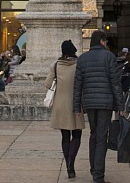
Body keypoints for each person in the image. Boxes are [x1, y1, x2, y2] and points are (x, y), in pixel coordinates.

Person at [71, 30, 124, 183]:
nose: (106, 43)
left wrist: (76, 107)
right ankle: (98, 175)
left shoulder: (82, 58)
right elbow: (115, 83)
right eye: (105, 41)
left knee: (94, 135)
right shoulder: (109, 57)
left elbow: (77, 85)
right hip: (105, 103)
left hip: (89, 103)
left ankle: (94, 169)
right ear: (101, 41)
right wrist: (120, 105)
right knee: (102, 137)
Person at [46, 39, 85, 179]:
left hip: (60, 105)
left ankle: (69, 165)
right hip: (76, 104)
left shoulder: (56, 65)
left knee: (65, 136)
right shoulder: (79, 65)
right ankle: (71, 163)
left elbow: (48, 83)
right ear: (74, 52)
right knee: (77, 135)